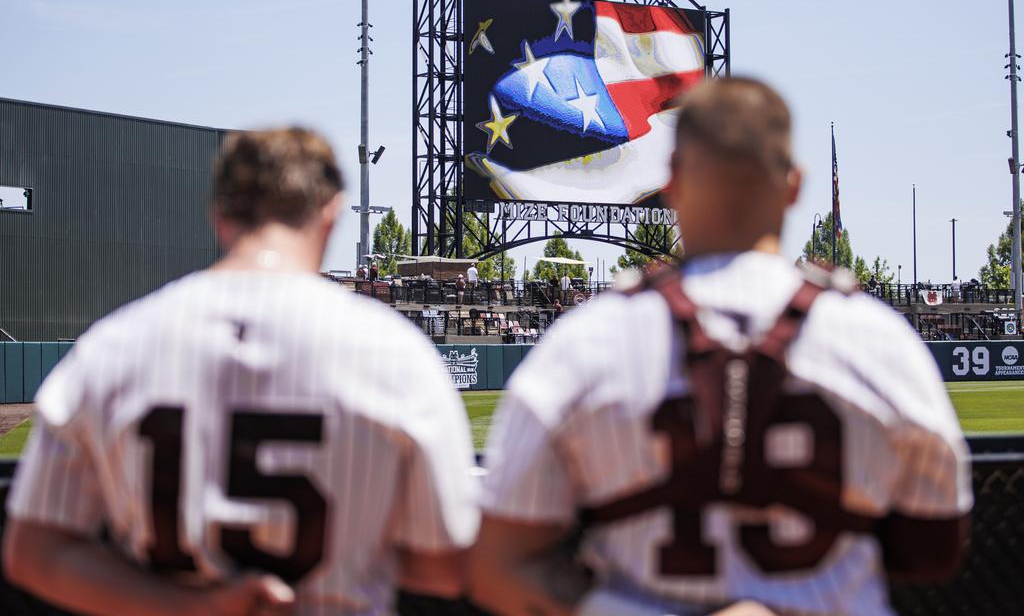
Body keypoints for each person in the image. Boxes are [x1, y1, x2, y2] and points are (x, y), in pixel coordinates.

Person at [469, 78, 971, 616]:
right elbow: (932, 552)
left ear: (674, 182)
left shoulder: (588, 339)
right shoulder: (879, 340)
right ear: (795, 184)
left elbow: (499, 567)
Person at [4, 128, 480, 615]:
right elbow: (443, 566)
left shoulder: (111, 347)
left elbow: (35, 552)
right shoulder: (396, 354)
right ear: (331, 213)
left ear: (219, 216)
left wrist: (192, 607)